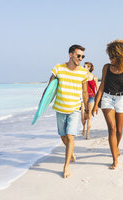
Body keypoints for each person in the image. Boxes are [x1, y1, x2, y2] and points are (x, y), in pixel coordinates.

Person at [42, 44, 90, 178]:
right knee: (63, 136)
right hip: (60, 108)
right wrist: (42, 104)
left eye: (82, 56)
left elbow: (85, 92)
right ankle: (71, 151)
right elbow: (50, 88)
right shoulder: (58, 68)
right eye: (78, 55)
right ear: (71, 55)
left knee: (70, 136)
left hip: (74, 109)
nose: (81, 58)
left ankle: (66, 166)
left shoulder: (83, 73)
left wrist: (86, 110)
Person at [92, 39, 123, 169]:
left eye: (112, 56)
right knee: (112, 128)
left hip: (121, 99)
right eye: (109, 55)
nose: (110, 58)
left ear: (120, 56)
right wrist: (95, 104)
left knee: (120, 131)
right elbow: (102, 85)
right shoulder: (106, 67)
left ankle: (116, 146)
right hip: (107, 98)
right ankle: (114, 159)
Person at [82, 62, 98, 139]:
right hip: (83, 98)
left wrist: (98, 102)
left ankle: (87, 134)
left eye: (85, 66)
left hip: (91, 97)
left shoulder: (94, 77)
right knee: (83, 116)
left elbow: (97, 89)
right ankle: (83, 127)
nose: (83, 67)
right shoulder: (81, 77)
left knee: (89, 116)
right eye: (84, 66)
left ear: (89, 68)